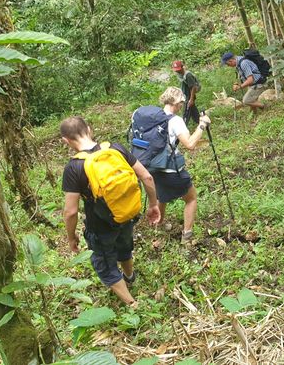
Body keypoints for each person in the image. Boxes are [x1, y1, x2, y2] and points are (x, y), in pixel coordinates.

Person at [61, 116, 161, 307]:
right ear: (89, 129)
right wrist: (153, 205)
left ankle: (133, 305)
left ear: (66, 141)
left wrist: (71, 236)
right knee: (124, 245)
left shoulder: (73, 168)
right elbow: (147, 177)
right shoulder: (116, 148)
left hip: (100, 224)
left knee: (105, 264)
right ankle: (130, 276)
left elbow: (70, 212)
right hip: (126, 213)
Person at [152, 87, 212, 242]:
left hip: (153, 168)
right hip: (171, 170)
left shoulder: (154, 116)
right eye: (181, 103)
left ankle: (157, 229)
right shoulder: (175, 120)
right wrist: (202, 125)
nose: (181, 106)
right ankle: (187, 235)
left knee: (161, 195)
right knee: (191, 198)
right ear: (177, 103)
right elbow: (190, 144)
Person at [172, 60, 201, 126]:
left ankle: (183, 127)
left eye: (178, 69)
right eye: (176, 70)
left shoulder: (188, 75)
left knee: (186, 112)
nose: (177, 71)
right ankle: (199, 122)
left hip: (189, 96)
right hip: (185, 95)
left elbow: (193, 87)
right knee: (193, 111)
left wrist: (191, 100)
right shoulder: (180, 74)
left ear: (182, 67)